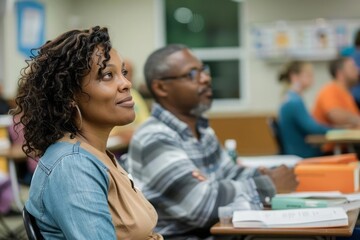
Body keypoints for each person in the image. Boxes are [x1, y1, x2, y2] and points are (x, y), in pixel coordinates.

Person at [127, 44, 298, 239]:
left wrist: (264, 173)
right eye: (192, 74)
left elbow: (229, 172)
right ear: (161, 87)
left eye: (203, 70)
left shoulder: (202, 130)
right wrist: (268, 185)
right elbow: (204, 205)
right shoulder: (154, 138)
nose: (206, 78)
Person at [12, 26, 162, 239]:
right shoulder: (73, 166)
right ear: (70, 97)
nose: (126, 84)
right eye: (108, 75)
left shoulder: (97, 154)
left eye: (124, 73)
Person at [277, 61, 331, 158]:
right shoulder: (294, 102)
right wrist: (340, 129)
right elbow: (313, 128)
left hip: (297, 151)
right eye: (308, 75)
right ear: (294, 77)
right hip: (303, 154)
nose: (312, 78)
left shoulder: (289, 98)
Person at [313, 57, 360, 128]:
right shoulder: (330, 90)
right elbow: (335, 114)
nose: (357, 70)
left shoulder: (347, 93)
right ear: (340, 73)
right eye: (352, 68)